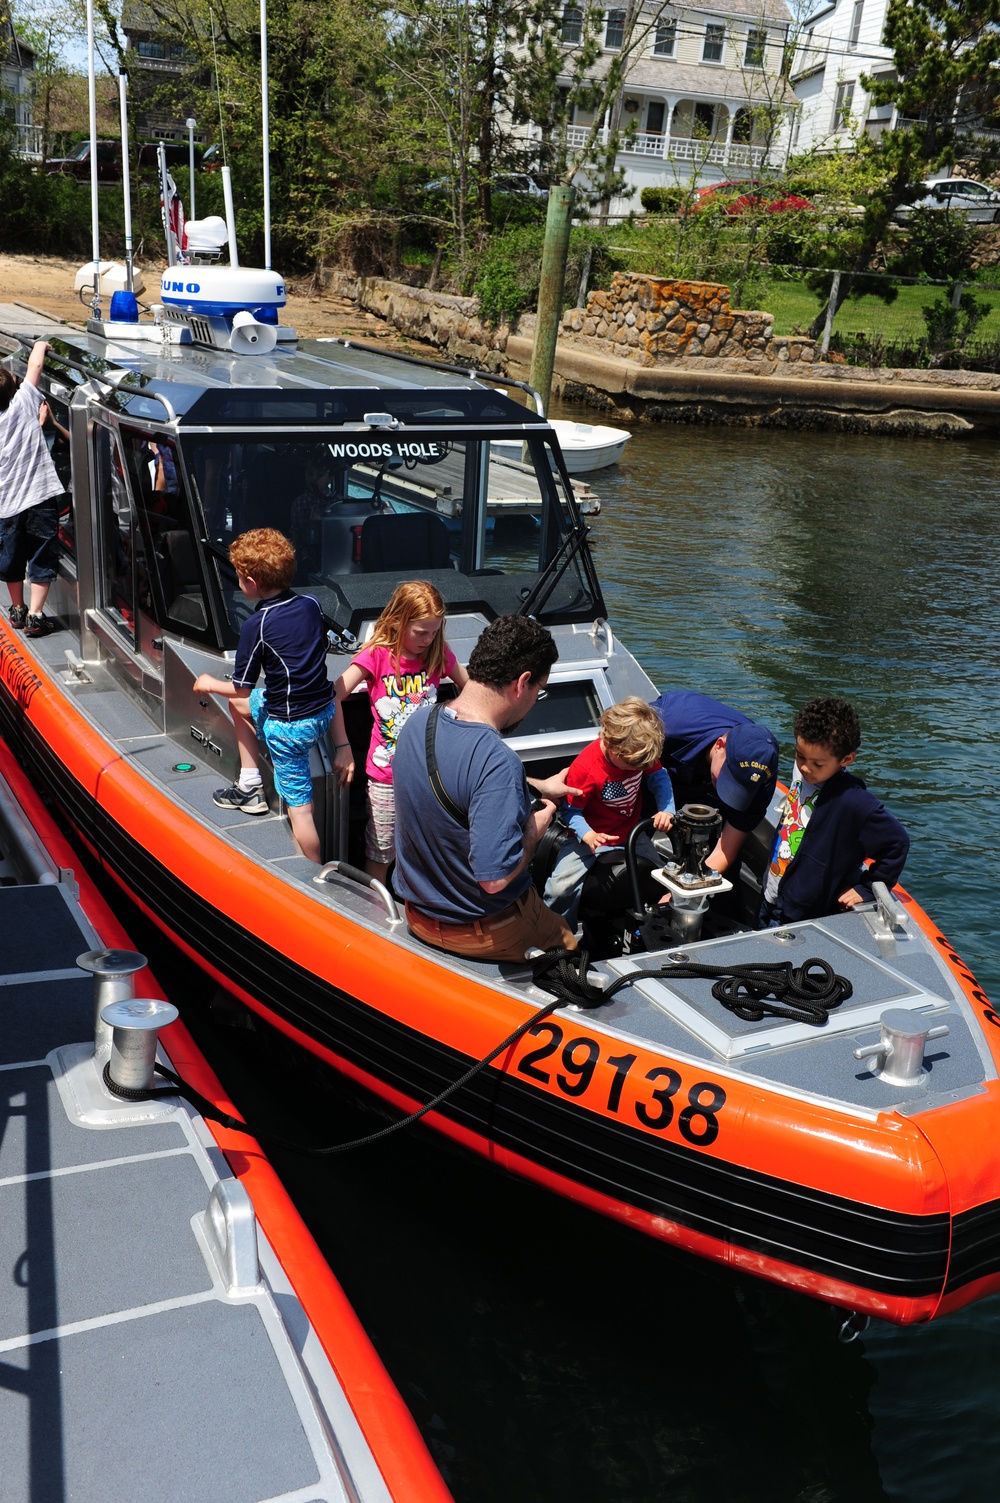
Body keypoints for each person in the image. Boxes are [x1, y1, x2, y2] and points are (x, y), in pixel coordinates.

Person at [392, 613, 578, 962]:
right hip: (483, 930)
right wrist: (534, 831)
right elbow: (494, 880)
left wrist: (537, 786)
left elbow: (459, 783)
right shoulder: (499, 761)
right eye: (540, 690)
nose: (535, 699)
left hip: (418, 917)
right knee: (571, 943)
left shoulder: (419, 722)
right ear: (522, 682)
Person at [192, 528, 352, 863]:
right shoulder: (310, 603)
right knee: (240, 708)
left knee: (301, 810)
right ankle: (250, 786)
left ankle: (313, 875)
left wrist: (207, 682)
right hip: (323, 710)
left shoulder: (257, 625)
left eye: (238, 577)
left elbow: (241, 687)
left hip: (290, 727)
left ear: (250, 581)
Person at [334, 580, 468, 884]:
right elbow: (334, 695)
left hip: (429, 775)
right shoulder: (377, 656)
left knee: (426, 848)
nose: (428, 639)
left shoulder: (438, 653)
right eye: (421, 632)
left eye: (434, 631)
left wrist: (454, 722)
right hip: (386, 777)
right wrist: (343, 746)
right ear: (397, 622)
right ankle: (377, 913)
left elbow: (470, 689)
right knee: (381, 852)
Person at [760, 696, 909, 926]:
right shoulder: (802, 770)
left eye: (818, 764)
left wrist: (867, 887)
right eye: (800, 756)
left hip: (803, 915)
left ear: (847, 759)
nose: (805, 768)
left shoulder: (854, 802)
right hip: (770, 895)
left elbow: (896, 843)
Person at [543, 697, 675, 930]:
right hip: (588, 838)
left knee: (666, 880)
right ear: (612, 745)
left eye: (641, 765)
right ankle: (559, 938)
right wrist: (588, 836)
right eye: (631, 766)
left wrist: (666, 810)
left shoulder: (640, 752)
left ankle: (662, 925)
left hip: (631, 832)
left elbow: (658, 777)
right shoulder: (585, 768)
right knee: (559, 890)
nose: (638, 770)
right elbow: (571, 811)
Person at [650, 689, 779, 874]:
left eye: (739, 787)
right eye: (728, 778)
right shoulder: (668, 725)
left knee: (721, 878)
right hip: (654, 777)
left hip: (707, 796)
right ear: (719, 745)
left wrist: (686, 892)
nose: (725, 789)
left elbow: (725, 850)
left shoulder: (762, 773)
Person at [0, 340, 65, 638]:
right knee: (41, 553)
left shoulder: (17, 407)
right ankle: (37, 615)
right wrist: (39, 344)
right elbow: (35, 365)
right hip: (38, 497)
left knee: (12, 556)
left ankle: (17, 608)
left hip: (6, 506)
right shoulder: (24, 401)